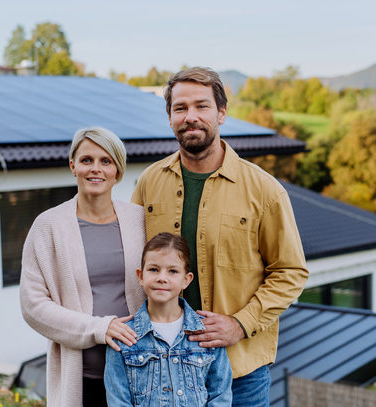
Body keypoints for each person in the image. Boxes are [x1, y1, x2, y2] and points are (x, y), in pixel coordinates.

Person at [131, 67, 309, 406]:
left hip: (239, 370)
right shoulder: (149, 183)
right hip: (162, 368)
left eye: (202, 106)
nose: (191, 117)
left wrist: (240, 324)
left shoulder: (264, 191)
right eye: (180, 108)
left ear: (222, 113)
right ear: (169, 117)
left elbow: (291, 272)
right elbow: (133, 262)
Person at [20, 127, 146, 407]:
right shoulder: (48, 226)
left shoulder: (140, 220)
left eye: (106, 161)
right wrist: (99, 328)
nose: (95, 169)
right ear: (72, 166)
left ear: (118, 170)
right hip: (82, 380)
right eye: (87, 160)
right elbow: (33, 306)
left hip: (140, 375)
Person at [105, 233, 232, 406]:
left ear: (186, 280)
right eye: (154, 270)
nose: (162, 278)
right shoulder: (124, 337)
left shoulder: (206, 331)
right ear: (141, 276)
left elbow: (221, 396)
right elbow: (118, 401)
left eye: (172, 271)